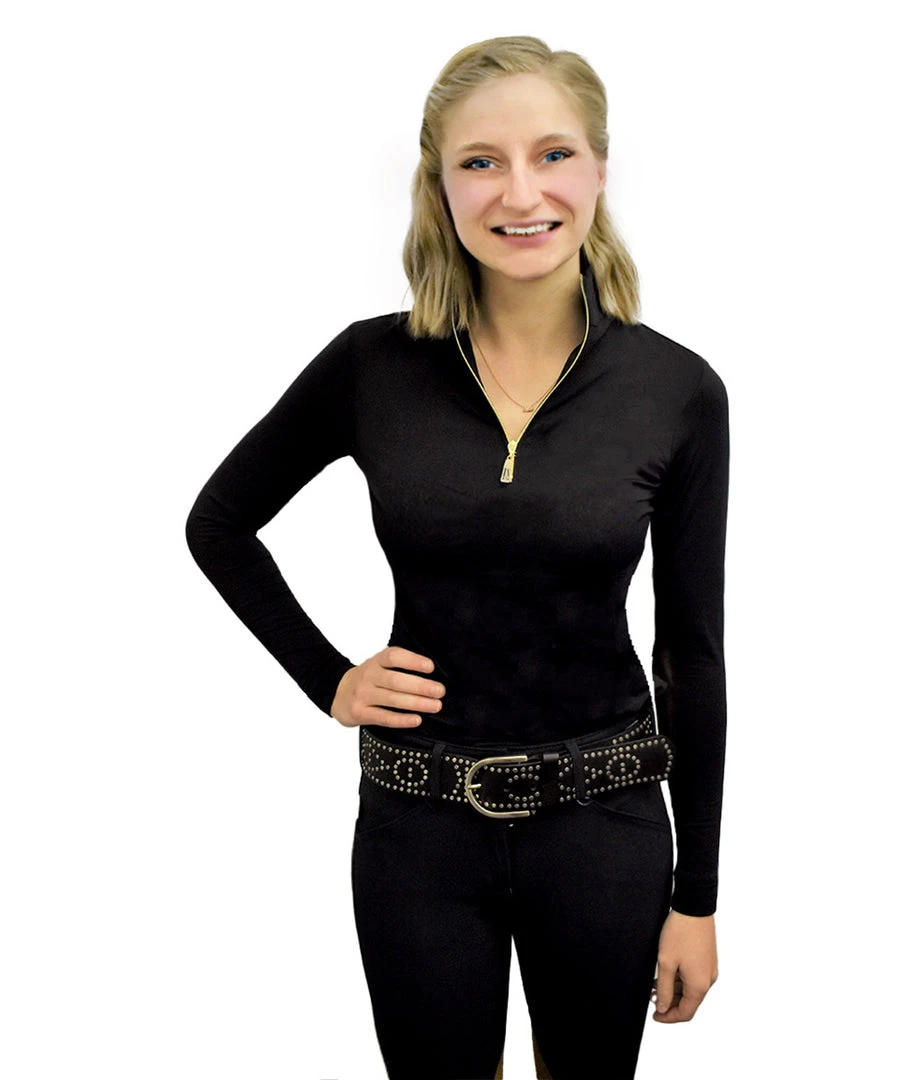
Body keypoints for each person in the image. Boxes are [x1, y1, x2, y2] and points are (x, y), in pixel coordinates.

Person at [185, 34, 729, 1080]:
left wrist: (696, 897)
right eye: (481, 161)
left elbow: (692, 656)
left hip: (606, 827)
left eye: (553, 154)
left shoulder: (676, 391)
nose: (520, 192)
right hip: (417, 832)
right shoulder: (370, 366)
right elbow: (220, 523)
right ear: (439, 186)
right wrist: (328, 679)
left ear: (599, 170)